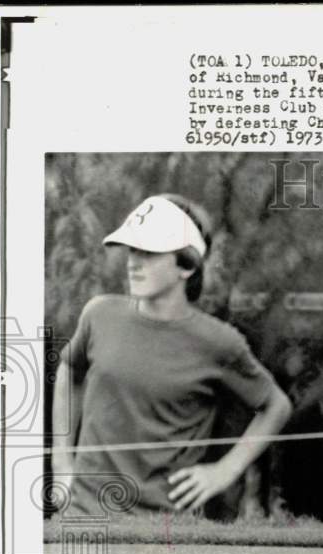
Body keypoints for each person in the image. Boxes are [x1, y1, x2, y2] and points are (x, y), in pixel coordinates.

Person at [51, 194, 292, 516]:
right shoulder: (99, 315)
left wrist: (224, 471)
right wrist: (62, 461)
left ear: (186, 265)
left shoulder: (219, 342)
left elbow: (275, 405)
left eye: (149, 253)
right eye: (132, 249)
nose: (133, 261)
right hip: (83, 517)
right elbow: (69, 372)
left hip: (167, 533)